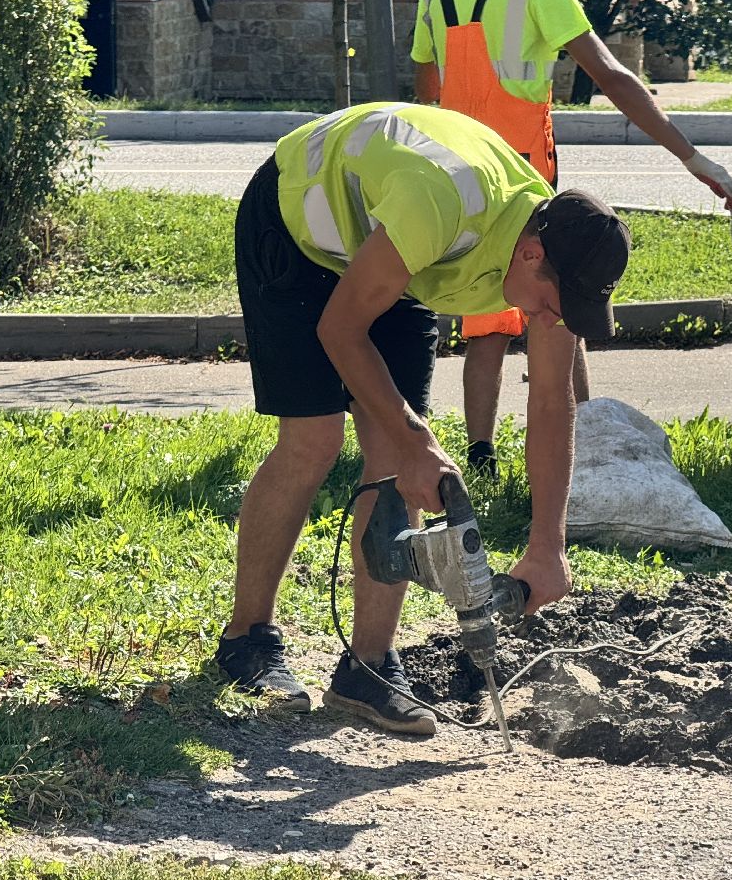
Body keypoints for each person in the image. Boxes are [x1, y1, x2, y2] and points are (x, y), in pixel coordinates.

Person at [215, 101, 631, 736]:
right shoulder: (442, 199)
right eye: (555, 302)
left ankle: (368, 670)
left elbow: (549, 401)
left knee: (392, 456)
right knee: (315, 439)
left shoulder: (555, 251)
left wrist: (547, 545)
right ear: (529, 256)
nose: (554, 318)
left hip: (398, 260)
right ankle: (247, 639)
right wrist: (419, 443)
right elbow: (339, 327)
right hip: (297, 225)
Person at [412, 0, 732, 479]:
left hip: (461, 178)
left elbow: (427, 94)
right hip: (527, 178)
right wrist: (690, 156)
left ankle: (478, 457)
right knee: (558, 307)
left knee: (485, 319)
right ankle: (583, 446)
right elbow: (613, 78)